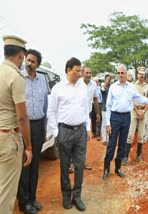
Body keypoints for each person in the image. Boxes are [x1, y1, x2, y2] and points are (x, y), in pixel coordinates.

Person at [47, 57, 91, 211]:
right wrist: (57, 132)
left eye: (80, 71)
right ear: (68, 70)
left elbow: (86, 109)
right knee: (65, 166)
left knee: (79, 165)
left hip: (80, 132)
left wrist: (87, 128)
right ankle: (66, 196)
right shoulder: (58, 88)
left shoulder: (82, 87)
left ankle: (77, 196)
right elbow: (51, 111)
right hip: (64, 131)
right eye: (77, 71)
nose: (80, 74)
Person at [102, 64, 148, 180]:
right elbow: (108, 106)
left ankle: (118, 168)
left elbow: (140, 99)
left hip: (126, 117)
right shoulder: (113, 87)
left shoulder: (131, 87)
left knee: (122, 143)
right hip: (115, 118)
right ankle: (106, 169)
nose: (120, 75)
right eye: (119, 73)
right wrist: (107, 124)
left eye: (122, 73)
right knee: (112, 143)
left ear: (126, 74)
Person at [0, 35, 32, 214]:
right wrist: (28, 146)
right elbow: (21, 118)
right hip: (8, 138)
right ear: (21, 54)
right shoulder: (15, 76)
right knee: (6, 193)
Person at [17, 49, 48, 214]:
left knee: (35, 165)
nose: (29, 64)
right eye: (28, 60)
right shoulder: (19, 78)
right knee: (24, 165)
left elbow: (45, 105)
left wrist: (44, 127)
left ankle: (32, 198)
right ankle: (23, 203)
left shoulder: (42, 80)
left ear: (38, 64)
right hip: (23, 127)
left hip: (38, 126)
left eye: (33, 61)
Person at [123, 67, 148, 165]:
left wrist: (143, 111)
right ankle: (125, 157)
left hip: (143, 111)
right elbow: (130, 100)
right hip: (134, 111)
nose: (141, 75)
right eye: (140, 73)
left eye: (143, 74)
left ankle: (138, 155)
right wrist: (137, 111)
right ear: (137, 75)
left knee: (141, 135)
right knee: (130, 134)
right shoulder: (132, 86)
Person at [81, 66, 100, 170]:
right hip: (77, 116)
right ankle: (71, 164)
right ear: (82, 73)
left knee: (84, 140)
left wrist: (97, 113)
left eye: (90, 73)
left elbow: (95, 99)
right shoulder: (78, 83)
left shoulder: (94, 85)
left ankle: (83, 162)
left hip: (87, 116)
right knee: (74, 140)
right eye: (86, 73)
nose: (88, 75)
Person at [100, 74, 112, 145]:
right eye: (107, 79)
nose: (108, 81)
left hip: (111, 109)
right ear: (105, 80)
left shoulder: (112, 87)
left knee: (110, 124)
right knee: (104, 124)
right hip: (104, 109)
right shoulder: (103, 87)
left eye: (109, 79)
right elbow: (103, 89)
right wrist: (107, 82)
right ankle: (104, 139)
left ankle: (109, 138)